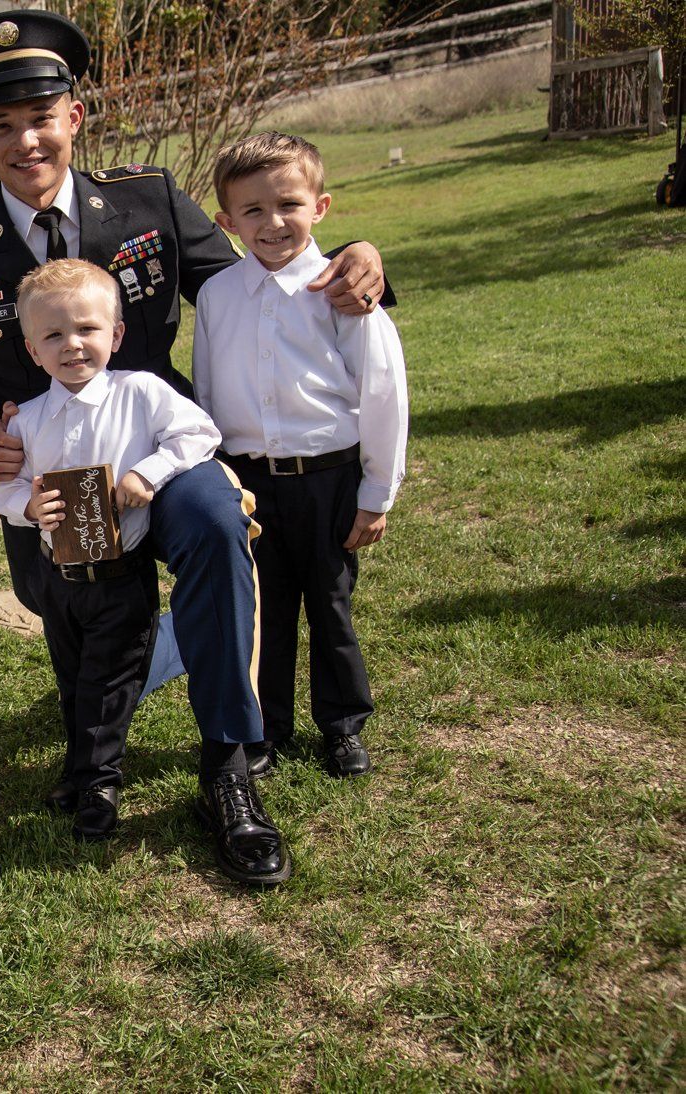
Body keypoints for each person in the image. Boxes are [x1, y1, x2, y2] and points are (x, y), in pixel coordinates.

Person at [0, 9, 391, 879]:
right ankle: (93, 765)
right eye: (3, 123)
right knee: (73, 607)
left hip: (163, 455)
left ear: (75, 117)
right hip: (54, 479)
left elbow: (261, 277)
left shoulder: (148, 202)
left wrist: (352, 254)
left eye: (42, 115)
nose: (27, 139)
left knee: (214, 526)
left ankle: (230, 769)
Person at [0, 262, 287, 884]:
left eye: (88, 330)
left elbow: (198, 432)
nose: (72, 345)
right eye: (53, 337)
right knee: (74, 676)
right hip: (62, 576)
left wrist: (147, 474)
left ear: (117, 335)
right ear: (31, 349)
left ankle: (105, 788)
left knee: (111, 678)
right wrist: (24, 503)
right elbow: (3, 489)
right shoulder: (28, 420)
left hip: (122, 571)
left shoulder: (141, 392)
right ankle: (80, 775)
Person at [193, 132, 408, 781]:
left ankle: (342, 725)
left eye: (289, 203)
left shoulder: (342, 291)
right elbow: (207, 389)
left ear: (321, 206)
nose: (273, 222)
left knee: (330, 604)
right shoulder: (216, 297)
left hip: (329, 479)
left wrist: (375, 495)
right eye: (252, 210)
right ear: (227, 222)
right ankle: (269, 728)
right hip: (253, 483)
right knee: (267, 610)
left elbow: (382, 391)